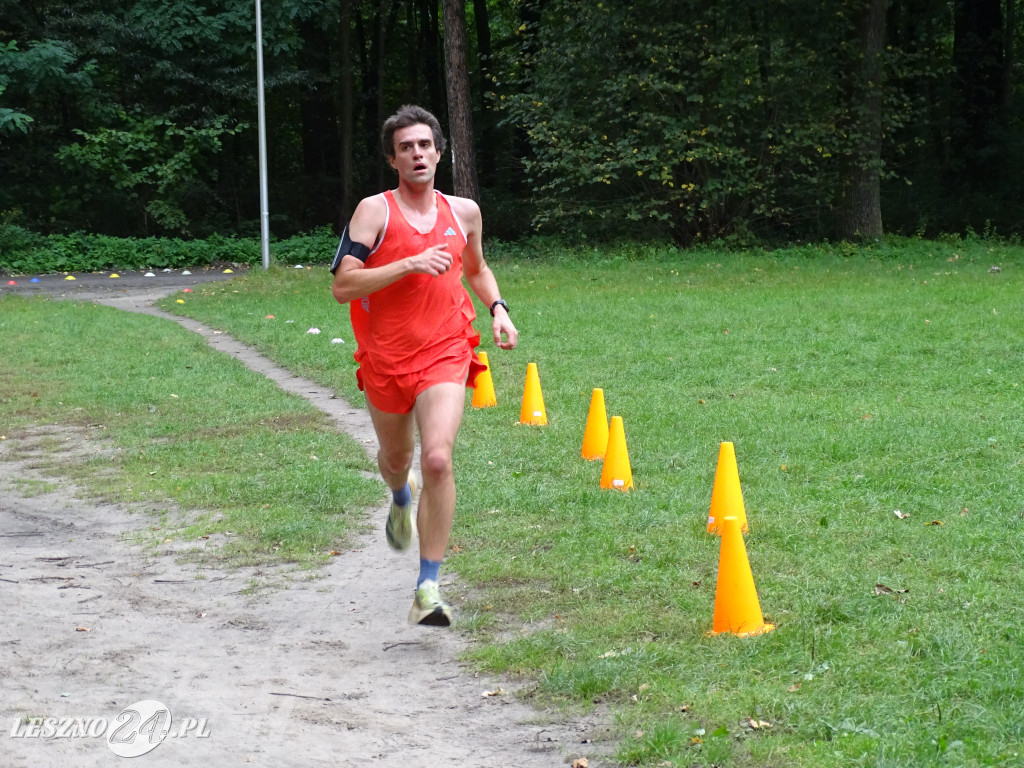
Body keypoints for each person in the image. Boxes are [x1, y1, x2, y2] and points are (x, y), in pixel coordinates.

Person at [330, 105, 518, 627]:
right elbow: (343, 285)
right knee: (398, 458)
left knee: (437, 458)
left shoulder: (464, 213)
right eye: (406, 147)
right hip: (386, 358)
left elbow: (475, 270)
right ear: (393, 159)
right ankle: (398, 495)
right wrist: (409, 262)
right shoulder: (374, 212)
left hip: (446, 348)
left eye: (425, 145)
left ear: (440, 152)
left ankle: (428, 586)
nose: (418, 154)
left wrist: (498, 309)